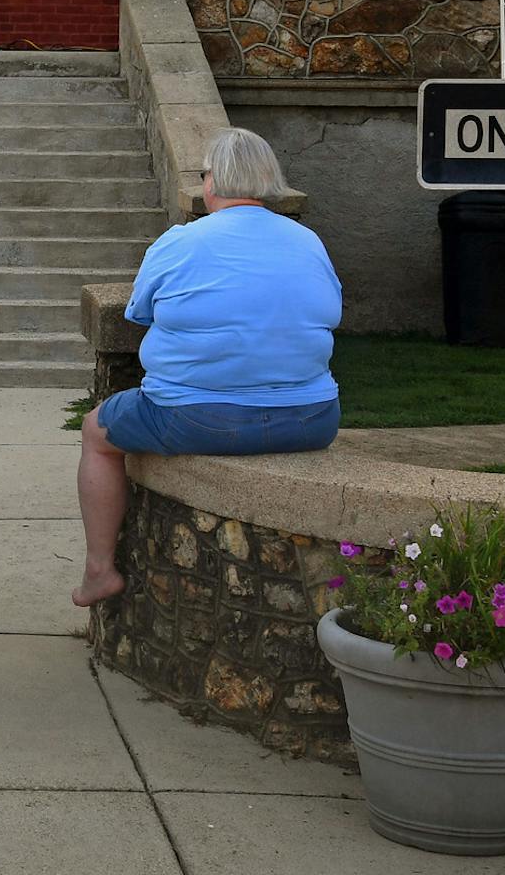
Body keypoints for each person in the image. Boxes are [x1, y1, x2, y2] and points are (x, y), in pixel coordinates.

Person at [71, 127, 342, 609]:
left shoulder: (180, 242)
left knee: (97, 431)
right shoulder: (310, 241)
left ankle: (99, 570)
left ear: (214, 182)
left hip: (196, 418)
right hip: (311, 418)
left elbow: (138, 312)